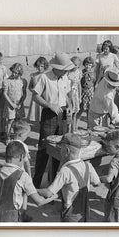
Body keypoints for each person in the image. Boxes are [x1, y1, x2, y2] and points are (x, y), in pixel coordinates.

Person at [32, 52, 75, 188]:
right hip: (49, 114)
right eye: (64, 69)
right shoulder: (44, 78)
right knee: (44, 149)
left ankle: (54, 183)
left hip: (62, 115)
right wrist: (49, 105)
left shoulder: (65, 78)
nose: (66, 72)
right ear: (57, 68)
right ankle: (36, 183)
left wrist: (69, 106)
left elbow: (67, 94)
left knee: (59, 149)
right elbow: (35, 96)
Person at [0, 141, 54, 222]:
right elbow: (39, 201)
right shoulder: (23, 176)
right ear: (21, 157)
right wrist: (54, 196)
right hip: (10, 220)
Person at [38, 133, 101, 222]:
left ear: (66, 150)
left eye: (61, 148)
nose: (60, 150)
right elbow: (97, 183)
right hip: (84, 212)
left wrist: (34, 189)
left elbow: (48, 193)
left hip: (71, 215)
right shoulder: (88, 165)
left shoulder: (65, 171)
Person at [0, 62, 27, 142]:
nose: (13, 74)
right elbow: (5, 93)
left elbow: (24, 94)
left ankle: (17, 137)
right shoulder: (7, 81)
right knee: (10, 121)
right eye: (12, 72)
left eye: (16, 73)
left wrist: (20, 103)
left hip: (19, 105)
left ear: (20, 73)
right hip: (10, 104)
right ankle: (7, 137)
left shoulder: (23, 81)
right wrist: (12, 104)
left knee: (18, 122)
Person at [27, 56, 49, 122]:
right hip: (36, 97)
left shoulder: (47, 75)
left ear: (45, 66)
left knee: (44, 113)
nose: (39, 68)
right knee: (37, 114)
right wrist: (32, 91)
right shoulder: (33, 75)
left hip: (44, 97)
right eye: (38, 66)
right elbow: (30, 86)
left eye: (41, 66)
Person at [68, 56, 82, 130]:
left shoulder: (79, 72)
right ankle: (68, 129)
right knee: (69, 113)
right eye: (73, 64)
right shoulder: (67, 72)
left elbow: (79, 85)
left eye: (76, 65)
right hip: (69, 94)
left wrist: (79, 97)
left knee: (75, 112)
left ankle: (73, 129)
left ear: (79, 65)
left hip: (75, 94)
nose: (74, 66)